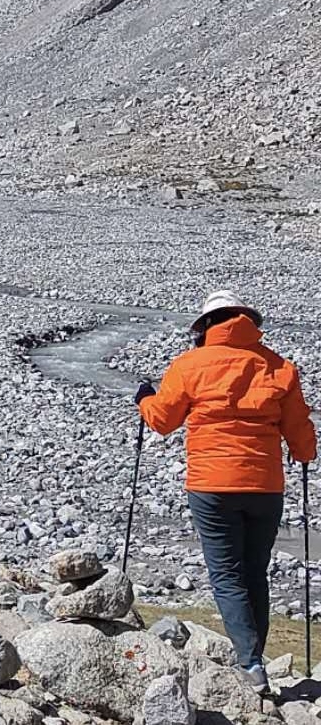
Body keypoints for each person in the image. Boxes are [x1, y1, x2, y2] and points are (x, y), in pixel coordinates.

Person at [136, 290, 316, 695]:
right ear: (248, 322)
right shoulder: (279, 367)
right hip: (265, 487)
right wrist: (304, 453)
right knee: (255, 573)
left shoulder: (189, 364)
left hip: (211, 485)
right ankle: (255, 661)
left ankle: (251, 665)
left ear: (204, 328)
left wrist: (144, 399)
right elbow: (302, 439)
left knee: (227, 576)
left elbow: (162, 421)